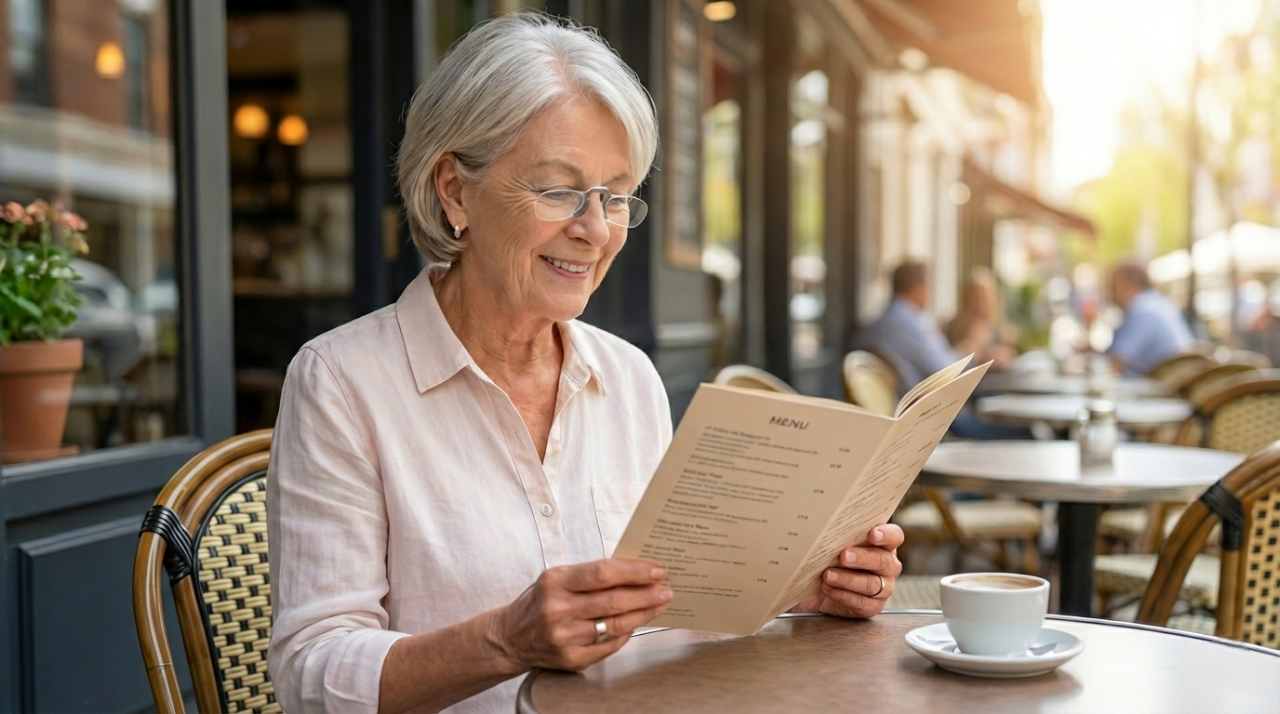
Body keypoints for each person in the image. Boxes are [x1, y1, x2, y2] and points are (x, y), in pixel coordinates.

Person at [267, 14, 905, 713]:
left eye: (616, 195)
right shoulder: (343, 382)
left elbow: (673, 621)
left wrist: (800, 592)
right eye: (559, 189)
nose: (596, 229)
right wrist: (506, 641)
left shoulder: (628, 377)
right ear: (454, 190)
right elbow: (310, 673)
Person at [858, 260, 961, 391]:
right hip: (921, 403)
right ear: (916, 287)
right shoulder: (905, 322)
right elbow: (943, 370)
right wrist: (969, 352)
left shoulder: (887, 319)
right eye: (929, 286)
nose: (931, 293)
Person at [1106, 260, 1193, 376]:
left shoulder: (1142, 309)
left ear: (1128, 283)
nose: (1109, 292)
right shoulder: (1158, 301)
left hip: (1164, 386)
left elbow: (1117, 361)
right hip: (1172, 381)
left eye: (1113, 286)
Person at [947, 267, 1016, 370]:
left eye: (985, 298)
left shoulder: (1000, 330)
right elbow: (955, 360)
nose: (980, 303)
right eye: (975, 297)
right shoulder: (954, 328)